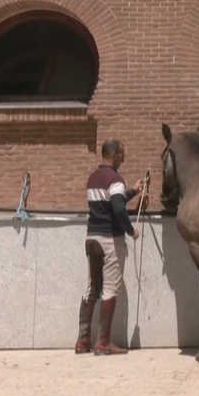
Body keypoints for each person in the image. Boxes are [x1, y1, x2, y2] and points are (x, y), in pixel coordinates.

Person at [75, 139, 145, 356]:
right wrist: (130, 231)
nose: (124, 158)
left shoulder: (93, 178)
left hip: (91, 238)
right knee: (110, 289)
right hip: (110, 239)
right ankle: (103, 342)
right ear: (113, 154)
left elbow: (112, 201)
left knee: (92, 288)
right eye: (122, 154)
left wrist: (132, 191)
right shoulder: (115, 179)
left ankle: (83, 341)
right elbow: (117, 208)